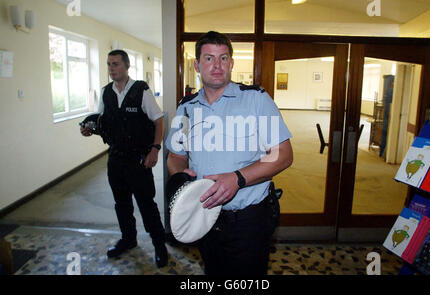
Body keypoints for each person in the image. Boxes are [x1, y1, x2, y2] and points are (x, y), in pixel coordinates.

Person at [166, 31, 293, 275]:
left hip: (248, 220)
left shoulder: (256, 99)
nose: (217, 65)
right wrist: (182, 175)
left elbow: (283, 154)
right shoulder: (186, 107)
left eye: (223, 58)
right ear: (197, 65)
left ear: (231, 64)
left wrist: (237, 178)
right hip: (203, 215)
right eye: (209, 58)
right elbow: (175, 155)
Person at [80, 50, 168, 267]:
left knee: (147, 204)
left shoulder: (141, 90)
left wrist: (155, 149)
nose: (111, 68)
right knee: (122, 204)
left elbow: (158, 121)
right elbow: (102, 122)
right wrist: (89, 129)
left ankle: (159, 245)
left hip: (139, 160)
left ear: (126, 66)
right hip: (116, 159)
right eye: (109, 64)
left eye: (116, 64)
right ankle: (128, 239)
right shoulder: (106, 93)